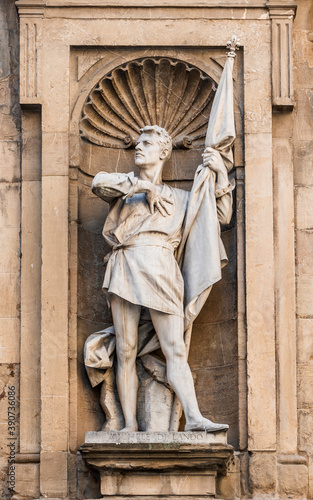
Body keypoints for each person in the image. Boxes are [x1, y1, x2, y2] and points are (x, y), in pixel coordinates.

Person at [92, 125, 233, 432]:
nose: (138, 148)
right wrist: (144, 188)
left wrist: (219, 174)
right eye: (137, 143)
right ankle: (129, 426)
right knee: (126, 350)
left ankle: (194, 418)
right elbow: (98, 182)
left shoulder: (181, 198)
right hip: (127, 262)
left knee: (175, 349)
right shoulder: (127, 192)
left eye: (146, 143)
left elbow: (219, 219)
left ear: (163, 152)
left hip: (163, 266)